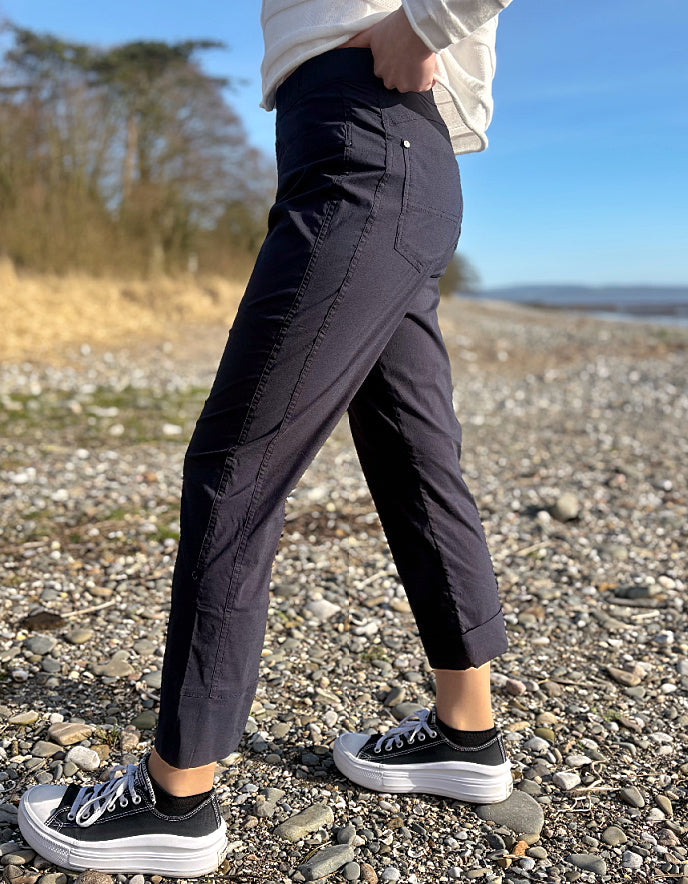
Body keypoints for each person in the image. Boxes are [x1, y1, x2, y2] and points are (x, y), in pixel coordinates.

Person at [18, 0, 515, 875]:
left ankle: (175, 800)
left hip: (366, 130)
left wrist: (427, 21)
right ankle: (465, 733)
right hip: (394, 155)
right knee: (414, 460)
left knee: (235, 467)